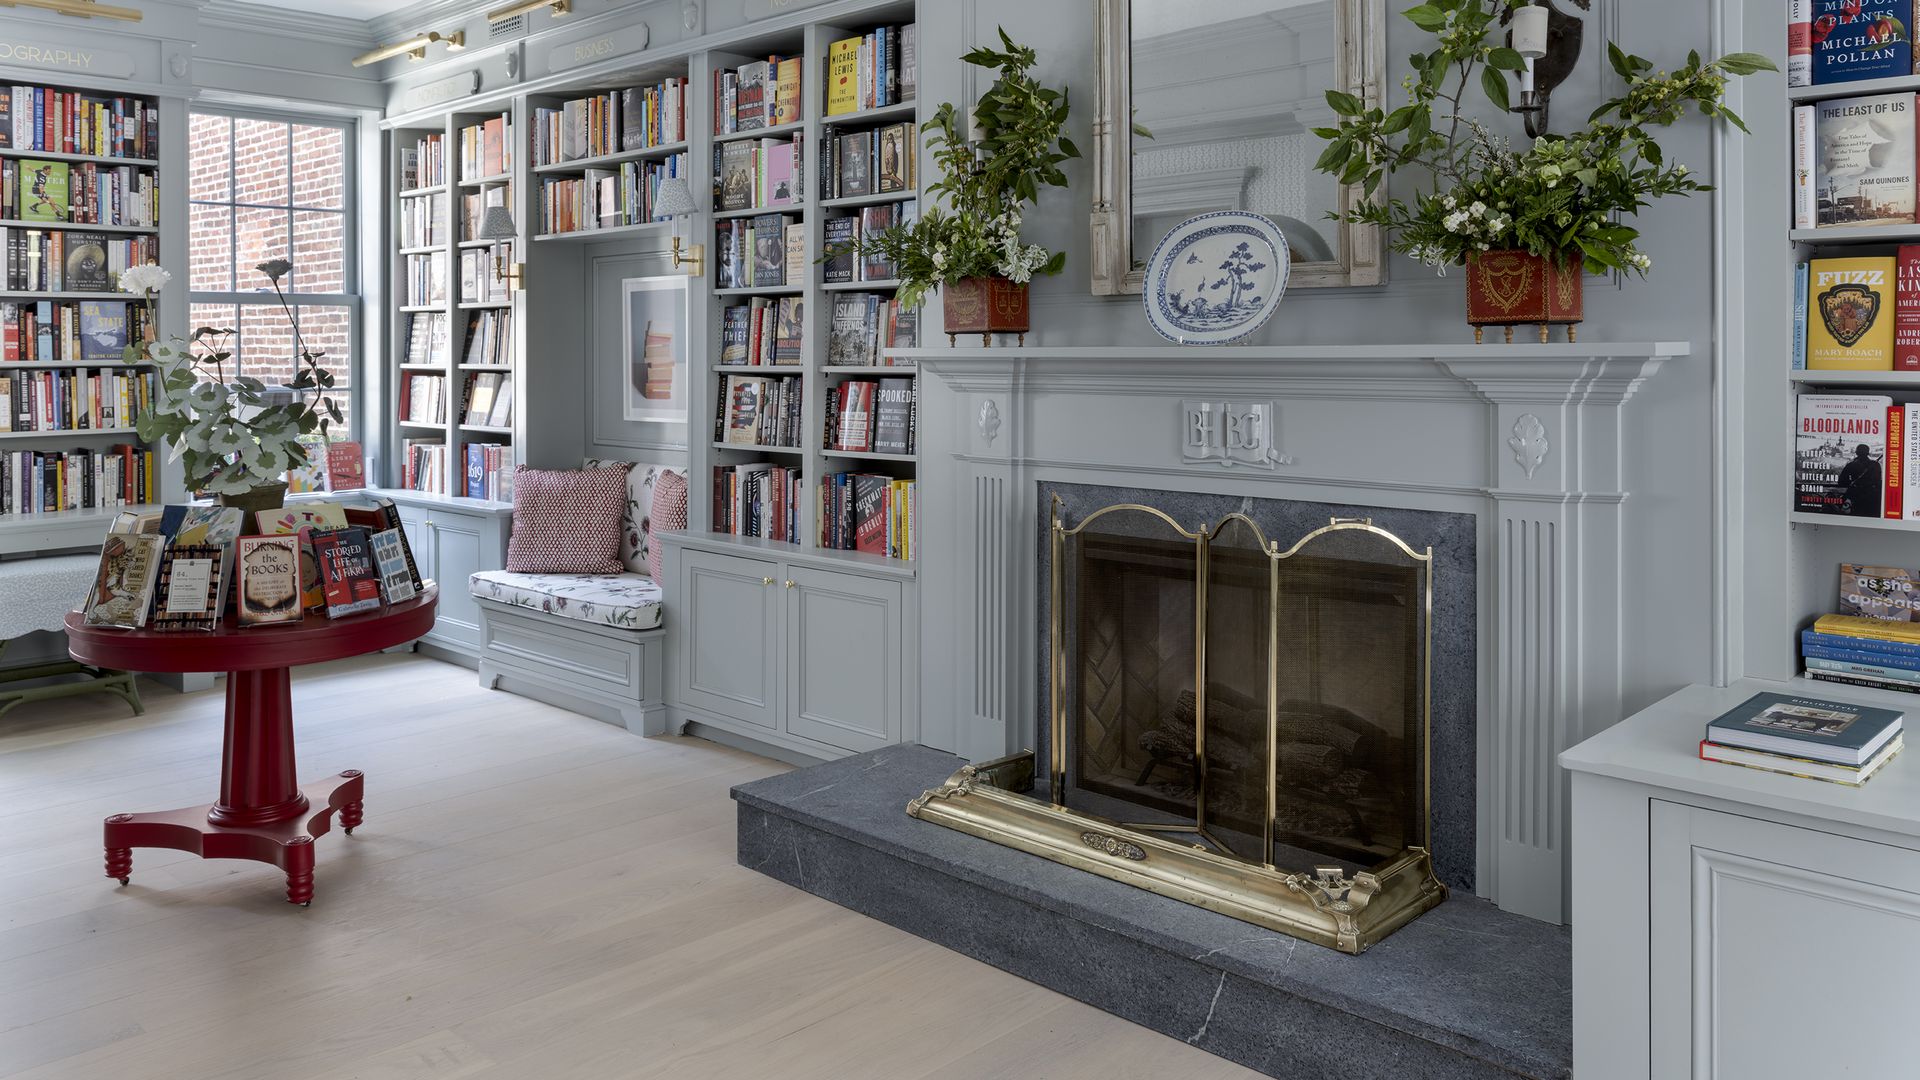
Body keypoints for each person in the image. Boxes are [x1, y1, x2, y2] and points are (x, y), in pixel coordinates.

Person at [1838, 443, 1883, 516]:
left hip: (1857, 496)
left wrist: (1853, 483)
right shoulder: (1875, 465)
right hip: (1873, 497)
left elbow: (1841, 482)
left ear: (1856, 452)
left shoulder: (1851, 465)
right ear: (1868, 453)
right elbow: (1878, 481)